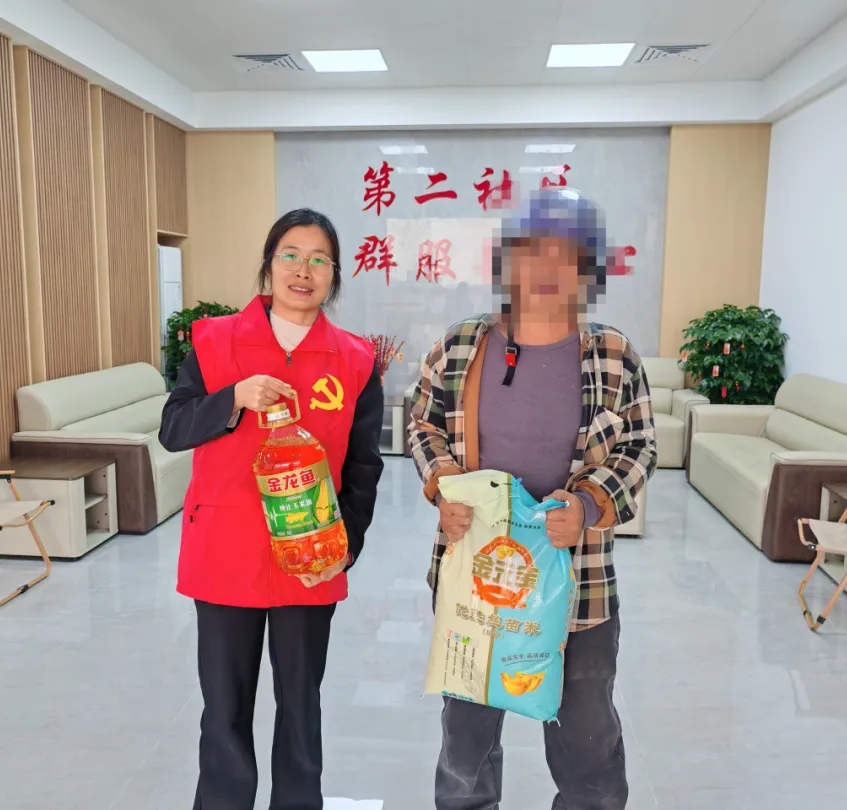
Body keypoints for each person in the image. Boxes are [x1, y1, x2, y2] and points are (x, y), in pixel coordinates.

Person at [407, 188, 657, 810]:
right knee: (465, 748)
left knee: (588, 746)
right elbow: (422, 423)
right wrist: (444, 484)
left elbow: (640, 445)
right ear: (506, 262)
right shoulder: (462, 344)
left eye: (567, 254)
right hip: (475, 580)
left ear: (588, 269)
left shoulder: (613, 354)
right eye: (531, 251)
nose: (547, 269)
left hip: (579, 585)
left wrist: (591, 504)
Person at [159, 208, 385, 810]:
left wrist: (342, 549)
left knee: (301, 707)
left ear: (334, 275)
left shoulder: (355, 359)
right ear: (268, 265)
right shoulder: (213, 342)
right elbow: (174, 428)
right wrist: (232, 398)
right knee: (224, 709)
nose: (303, 271)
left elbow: (364, 466)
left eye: (319, 260)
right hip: (224, 552)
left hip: (310, 558)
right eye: (290, 255)